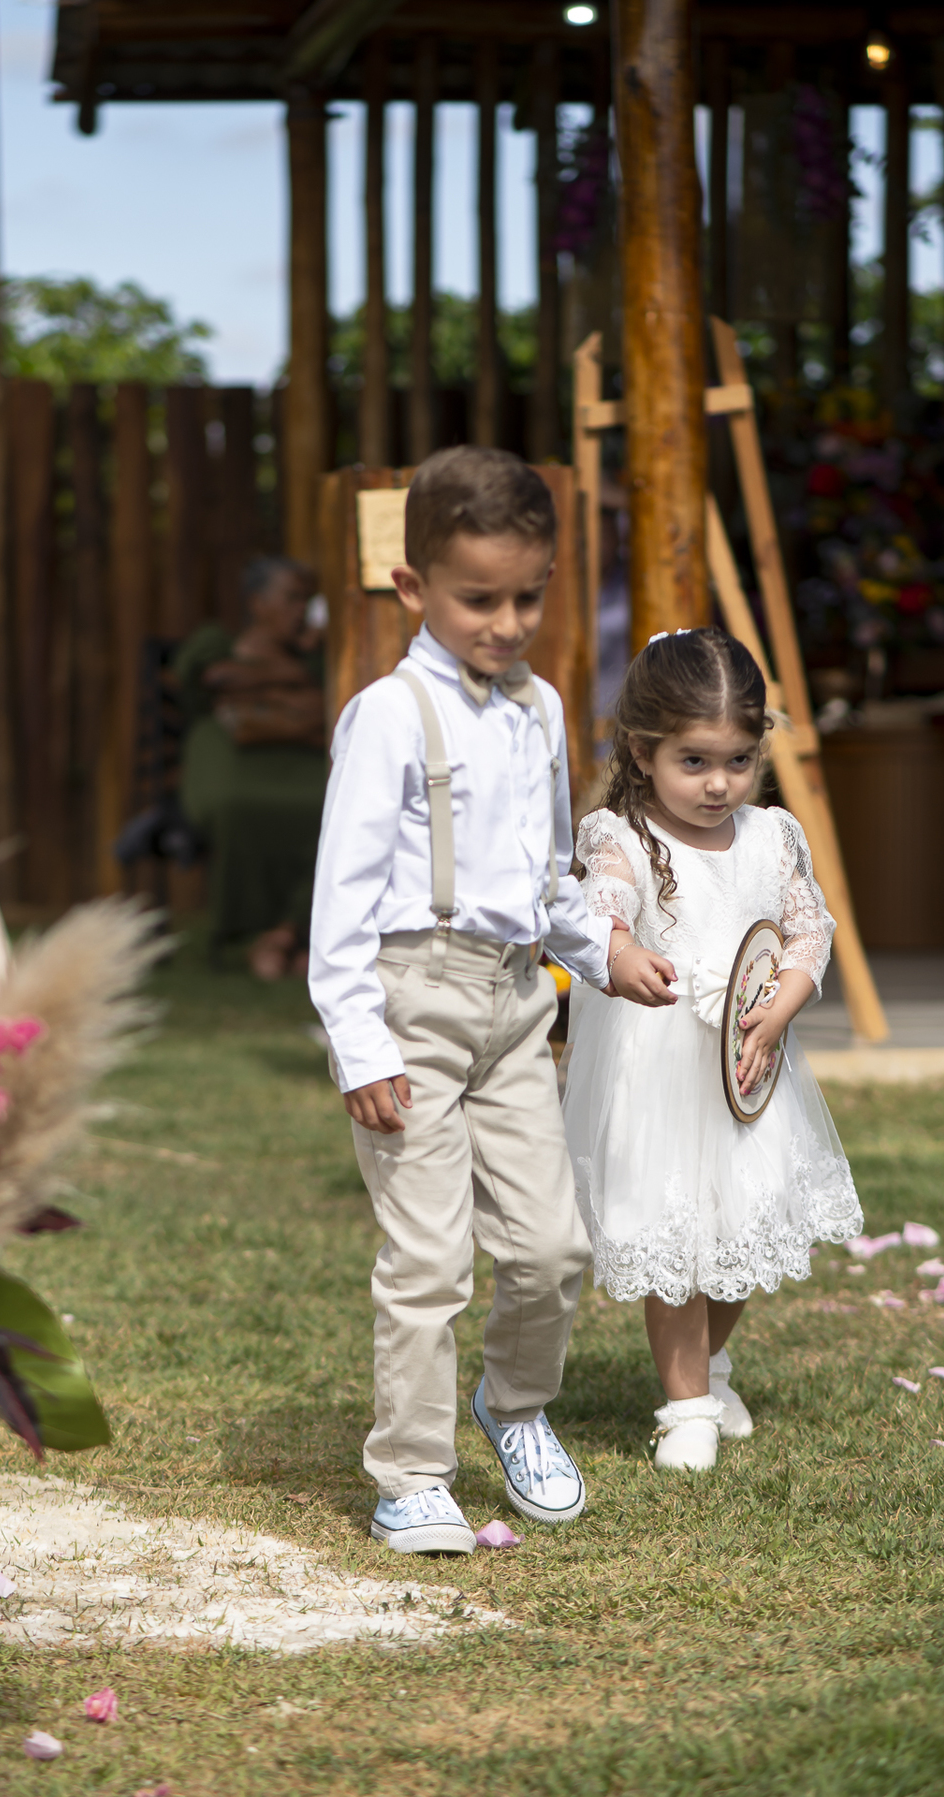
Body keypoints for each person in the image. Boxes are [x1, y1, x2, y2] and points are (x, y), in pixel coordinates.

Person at [308, 447, 672, 1554]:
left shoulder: (539, 709)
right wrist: (361, 1048)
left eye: (529, 596)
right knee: (428, 1259)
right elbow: (341, 904)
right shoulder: (386, 715)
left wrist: (604, 952)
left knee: (552, 1248)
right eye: (480, 599)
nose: (508, 622)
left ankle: (513, 1408)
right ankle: (411, 1474)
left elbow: (545, 878)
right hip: (411, 1000)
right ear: (413, 588)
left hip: (518, 1009)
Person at [562, 629, 864, 1471]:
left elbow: (811, 931)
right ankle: (686, 1403)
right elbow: (603, 912)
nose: (718, 783)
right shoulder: (621, 835)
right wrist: (619, 951)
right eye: (693, 761)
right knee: (676, 1236)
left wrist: (780, 1009)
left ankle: (714, 1364)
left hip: (748, 1065)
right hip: (659, 1070)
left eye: (736, 759)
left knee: (740, 1232)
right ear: (642, 749)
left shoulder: (770, 835)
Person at [175, 557, 328, 978]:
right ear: (258, 604)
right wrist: (288, 684)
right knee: (235, 806)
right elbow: (217, 678)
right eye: (291, 598)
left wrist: (265, 684)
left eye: (307, 600)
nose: (301, 609)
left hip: (299, 760)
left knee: (333, 808)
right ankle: (247, 935)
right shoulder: (215, 640)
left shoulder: (317, 655)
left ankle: (285, 935)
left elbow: (325, 704)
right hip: (226, 755)